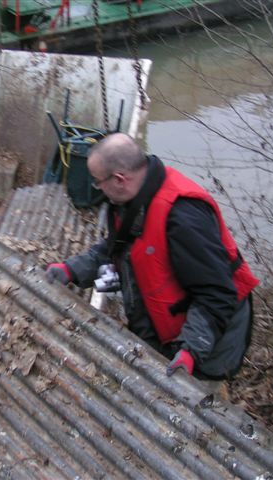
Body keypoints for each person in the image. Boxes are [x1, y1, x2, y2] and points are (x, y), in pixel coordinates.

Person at [46, 133, 259, 380]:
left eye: (97, 182)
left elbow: (217, 294)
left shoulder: (183, 218)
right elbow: (119, 247)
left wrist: (191, 350)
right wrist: (71, 269)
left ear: (119, 179)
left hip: (211, 338)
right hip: (167, 325)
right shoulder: (134, 198)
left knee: (195, 401)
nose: (97, 188)